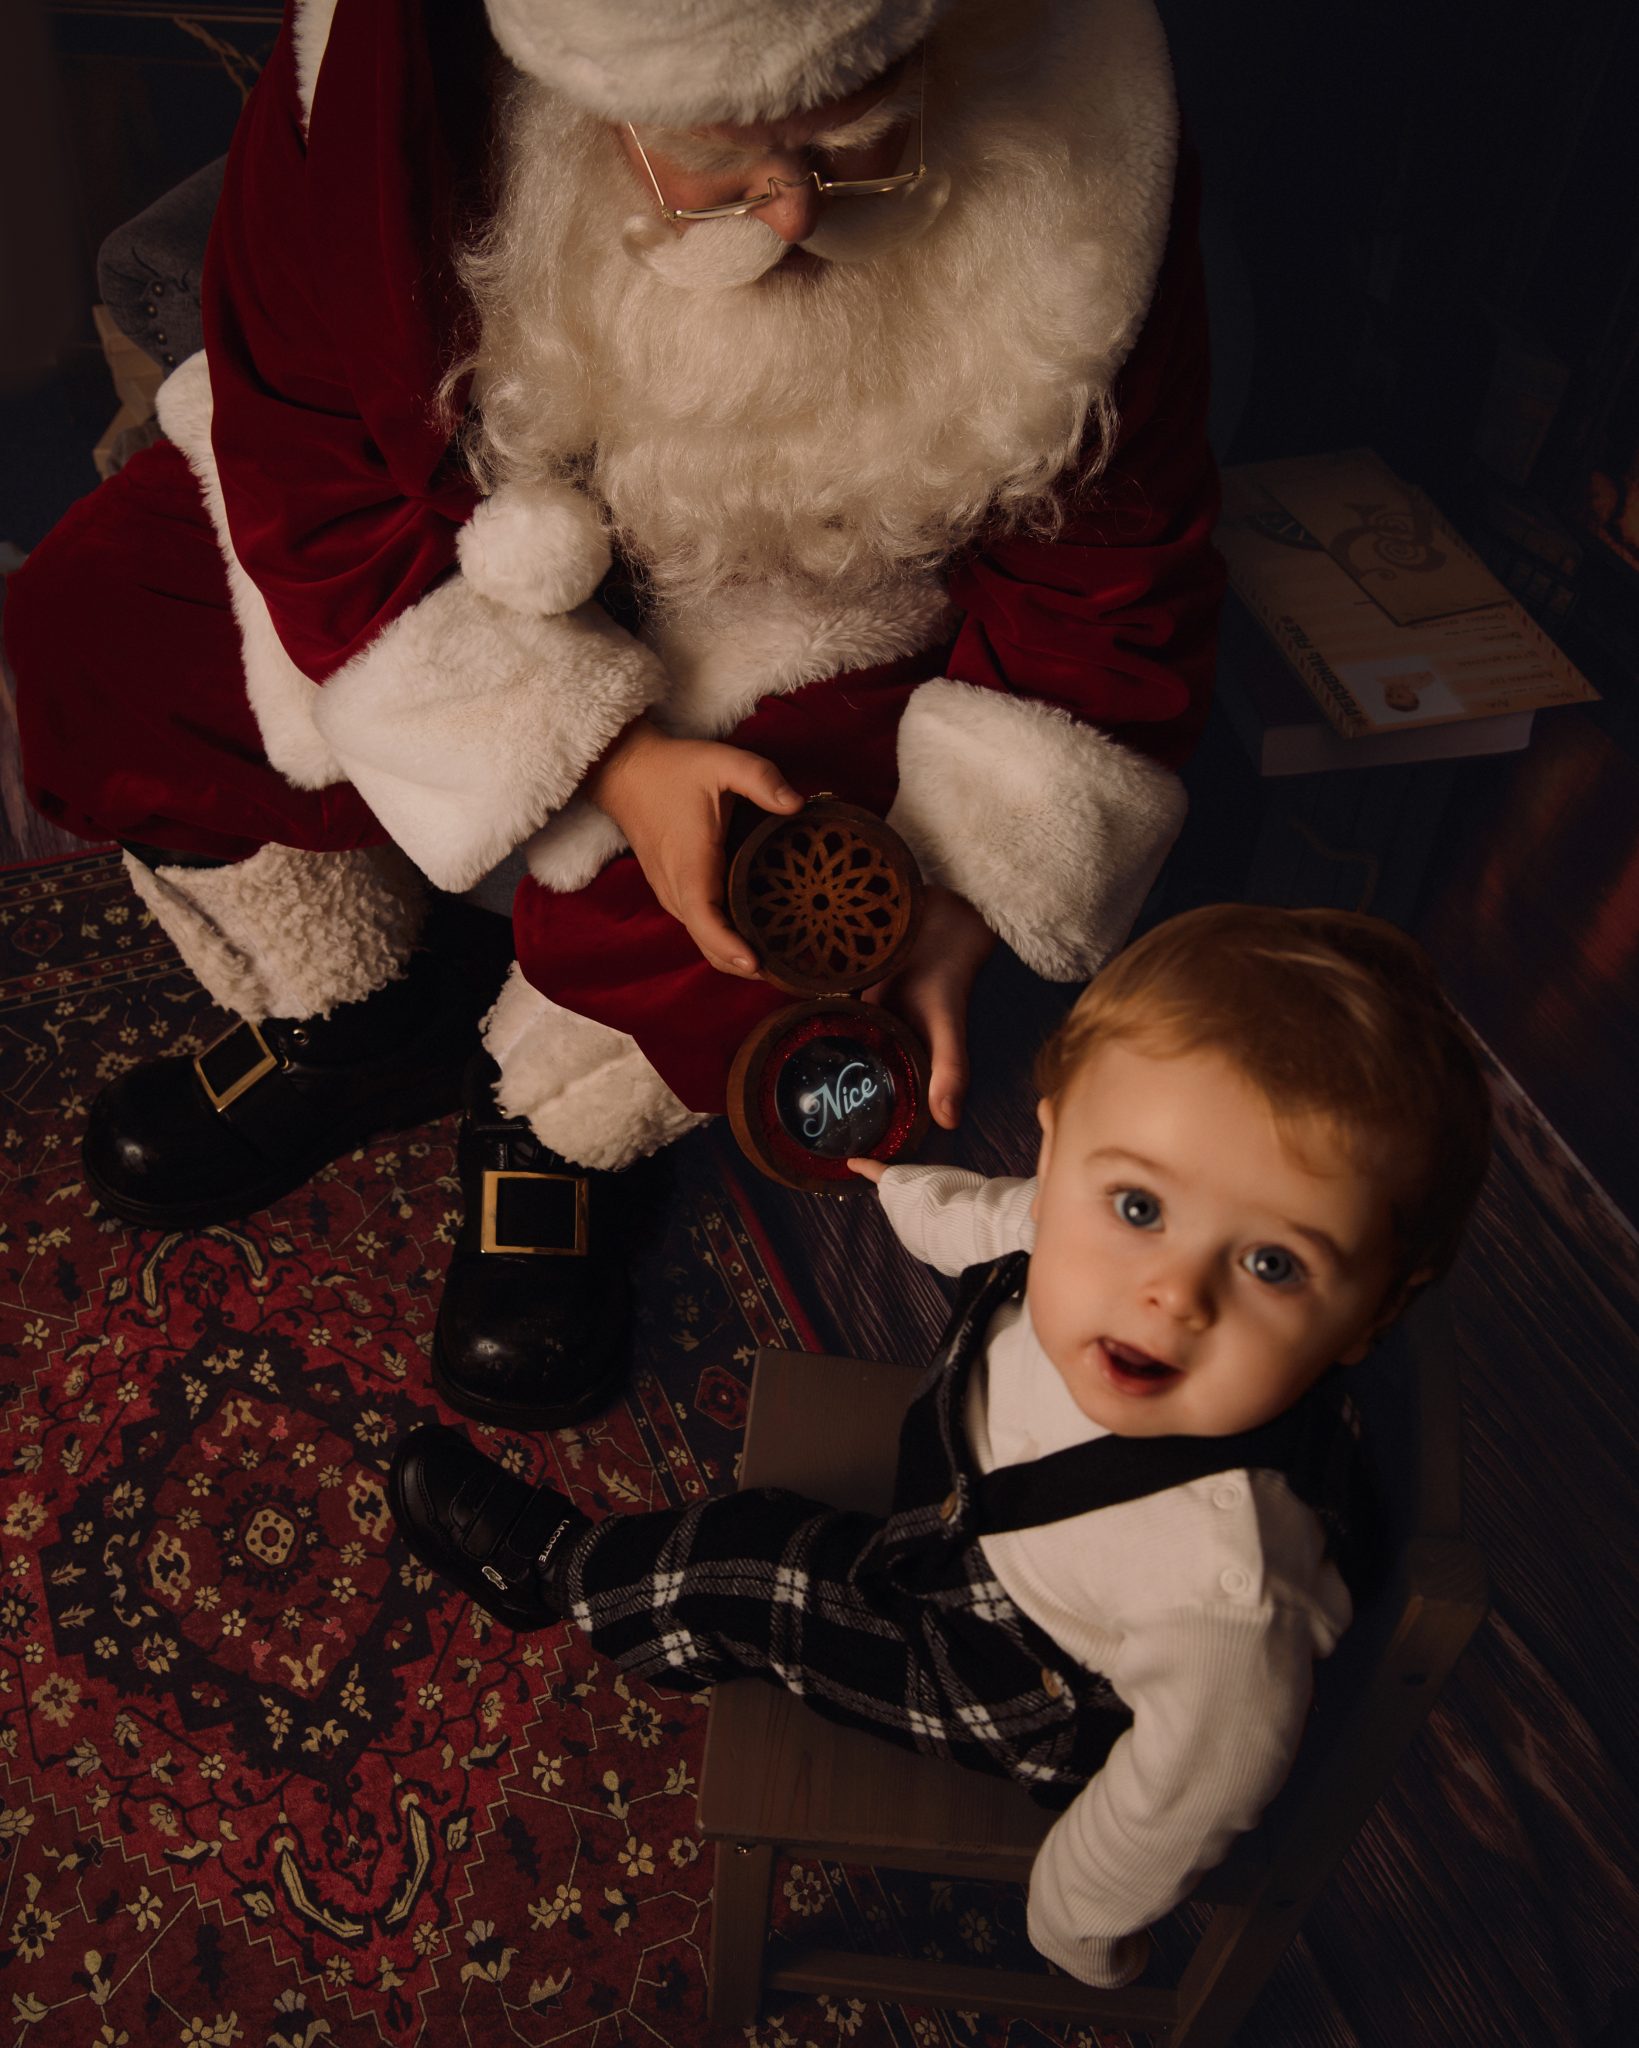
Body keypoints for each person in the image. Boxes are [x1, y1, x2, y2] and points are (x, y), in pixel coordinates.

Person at [4, 0, 1223, 1427]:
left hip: (821, 579)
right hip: (467, 520)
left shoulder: (1083, 108)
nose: (788, 208)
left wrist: (958, 885)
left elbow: (1110, 570)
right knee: (101, 632)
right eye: (722, 155)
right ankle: (366, 1009)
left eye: (857, 141)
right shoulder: (378, 66)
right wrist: (603, 753)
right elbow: (307, 452)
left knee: (783, 900)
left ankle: (556, 1127)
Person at [387, 904, 1493, 1986]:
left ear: (1368, 1318)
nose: (1170, 1293)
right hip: (972, 1490)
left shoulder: (1225, 1604)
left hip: (1016, 1663)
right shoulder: (1073, 1220)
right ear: (1057, 1142)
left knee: (748, 1554)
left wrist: (1075, 1922)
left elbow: (1175, 1802)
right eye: (1139, 1205)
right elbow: (995, 1220)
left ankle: (556, 1573)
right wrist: (903, 1195)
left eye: (1272, 1265)